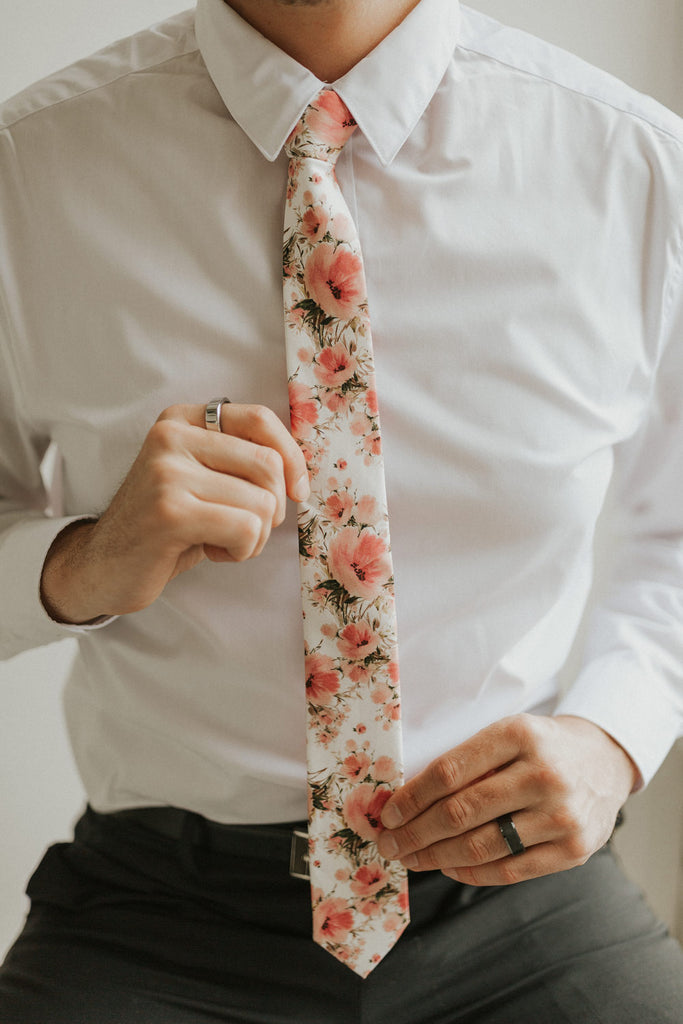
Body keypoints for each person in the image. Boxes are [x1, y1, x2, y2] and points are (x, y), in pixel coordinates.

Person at [1, 0, 682, 1019]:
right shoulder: (26, 172)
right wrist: (82, 563)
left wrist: (611, 740)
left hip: (516, 904)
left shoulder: (636, 166)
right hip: (157, 917)